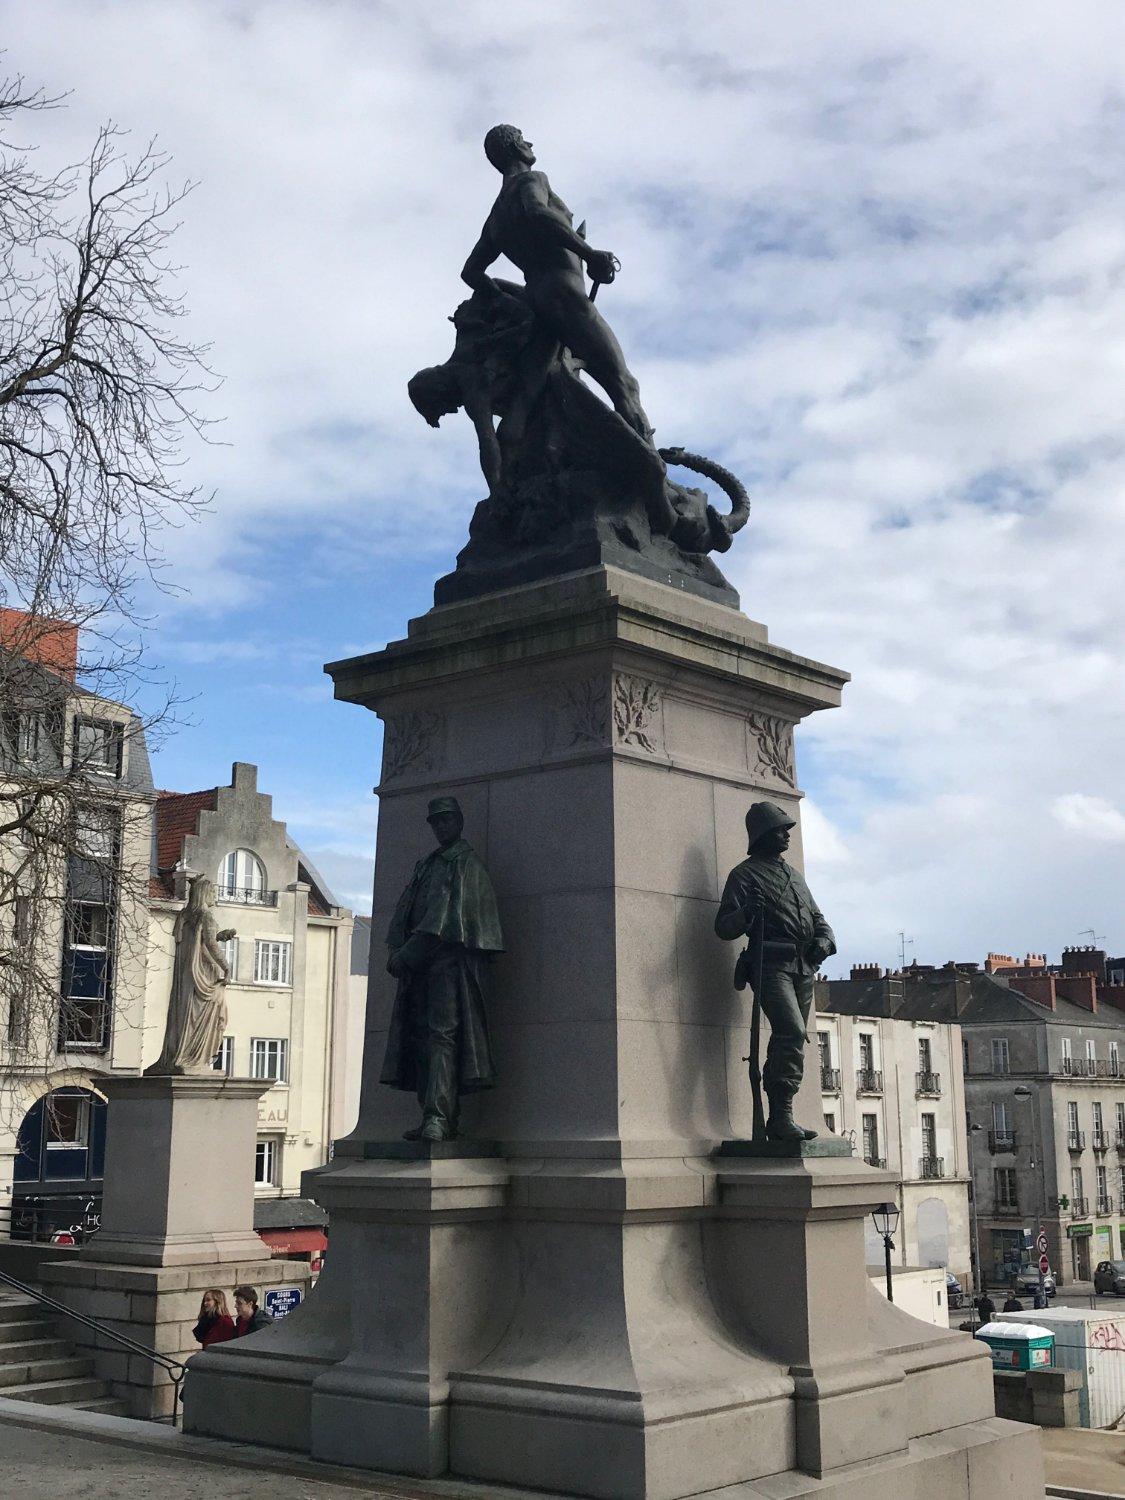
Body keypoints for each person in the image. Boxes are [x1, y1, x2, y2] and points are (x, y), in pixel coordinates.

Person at [461, 124, 652, 444]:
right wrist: (590, 254)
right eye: (522, 139)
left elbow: (471, 273)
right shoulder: (532, 180)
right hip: (565, 294)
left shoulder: (496, 216)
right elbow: (537, 212)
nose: (529, 142)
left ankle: (511, 472)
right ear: (512, 149)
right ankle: (654, 476)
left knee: (527, 399)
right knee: (623, 384)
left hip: (539, 300)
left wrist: (514, 301)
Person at [381, 796, 503, 1142]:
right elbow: (407, 911)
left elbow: (444, 919)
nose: (440, 827)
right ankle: (435, 1115)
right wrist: (398, 950)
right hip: (419, 967)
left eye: (446, 821)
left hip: (448, 965)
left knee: (442, 1038)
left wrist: (407, 954)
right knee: (421, 1038)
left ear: (459, 822)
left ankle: (438, 1115)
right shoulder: (428, 865)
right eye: (435, 822)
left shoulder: (465, 865)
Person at [714, 802, 836, 1142]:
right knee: (793, 1032)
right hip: (770, 965)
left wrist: (825, 940)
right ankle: (779, 1116)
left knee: (794, 1041)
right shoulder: (745, 875)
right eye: (781, 829)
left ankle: (783, 1115)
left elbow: (818, 919)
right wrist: (748, 914)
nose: (786, 834)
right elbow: (723, 926)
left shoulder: (794, 876)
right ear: (764, 834)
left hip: (804, 966)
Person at [145, 875, 236, 1075]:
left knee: (185, 1015)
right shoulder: (206, 917)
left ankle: (181, 1054)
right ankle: (196, 1058)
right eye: (212, 892)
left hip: (186, 977)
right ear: (204, 893)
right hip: (204, 977)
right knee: (216, 1011)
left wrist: (221, 935)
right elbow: (210, 944)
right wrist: (226, 966)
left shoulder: (185, 916)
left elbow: (197, 939)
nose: (214, 896)